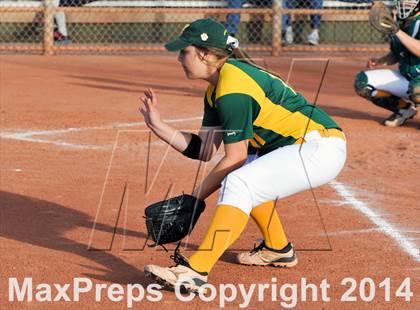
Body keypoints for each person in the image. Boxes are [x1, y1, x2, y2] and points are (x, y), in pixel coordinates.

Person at [141, 18, 347, 293]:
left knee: (240, 180)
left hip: (317, 148)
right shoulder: (217, 88)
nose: (179, 57)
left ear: (204, 53)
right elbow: (203, 149)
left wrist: (195, 199)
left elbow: (234, 158)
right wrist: (159, 126)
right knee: (249, 173)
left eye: (184, 51)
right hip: (302, 147)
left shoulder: (232, 87)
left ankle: (195, 271)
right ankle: (278, 248)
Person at [354, 0, 419, 127]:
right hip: (409, 78)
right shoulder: (400, 20)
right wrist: (381, 60)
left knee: (418, 88)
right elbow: (398, 54)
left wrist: (397, 32)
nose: (405, 1)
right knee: (363, 83)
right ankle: (404, 109)